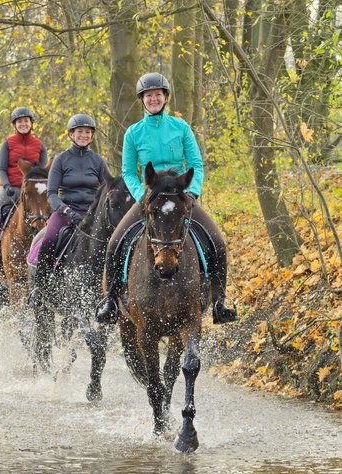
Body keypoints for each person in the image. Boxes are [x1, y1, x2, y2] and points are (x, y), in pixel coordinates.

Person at [96, 72, 238, 325]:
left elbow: (195, 163)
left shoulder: (180, 128)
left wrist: (192, 192)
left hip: (180, 195)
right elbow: (129, 171)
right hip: (149, 197)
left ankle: (220, 302)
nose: (153, 99)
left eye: (158, 95)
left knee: (217, 242)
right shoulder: (133, 133)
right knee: (114, 243)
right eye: (149, 96)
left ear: (165, 98)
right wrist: (142, 197)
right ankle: (110, 302)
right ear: (142, 100)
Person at [28, 113, 110, 306]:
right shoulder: (61, 160)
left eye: (88, 132)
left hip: (92, 214)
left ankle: (114, 291)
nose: (84, 135)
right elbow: (51, 193)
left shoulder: (98, 161)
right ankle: (40, 287)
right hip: (66, 211)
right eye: (80, 132)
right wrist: (66, 211)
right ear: (71, 134)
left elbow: (109, 189)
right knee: (49, 239)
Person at [0, 107, 48, 269]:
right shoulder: (8, 143)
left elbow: (42, 171)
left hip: (33, 192)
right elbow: (1, 169)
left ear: (31, 123)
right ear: (15, 125)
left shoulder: (39, 145)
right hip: (10, 188)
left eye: (26, 121)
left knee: (47, 216)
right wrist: (6, 186)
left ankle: (46, 255)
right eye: (20, 121)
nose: (23, 124)